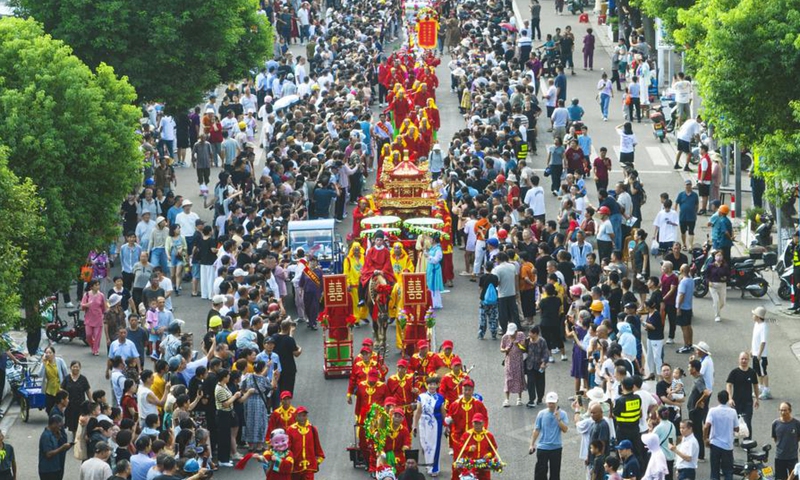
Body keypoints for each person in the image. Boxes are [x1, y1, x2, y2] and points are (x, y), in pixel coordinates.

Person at [529, 391, 569, 480]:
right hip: (542, 447)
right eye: (549, 403)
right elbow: (536, 429)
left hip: (556, 447)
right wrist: (532, 444)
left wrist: (558, 419)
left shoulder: (563, 414)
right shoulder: (541, 413)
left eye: (553, 403)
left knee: (555, 474)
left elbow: (565, 430)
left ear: (557, 401)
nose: (551, 405)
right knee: (540, 473)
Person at [413, 376, 445, 477]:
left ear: (437, 385)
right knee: (425, 445)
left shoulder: (440, 398)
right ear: (427, 385)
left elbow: (443, 412)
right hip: (423, 423)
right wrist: (414, 425)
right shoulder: (421, 397)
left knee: (434, 446)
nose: (432, 386)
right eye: (430, 384)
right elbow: (418, 412)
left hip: (436, 424)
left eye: (434, 384)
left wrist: (447, 425)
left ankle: (434, 467)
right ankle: (428, 464)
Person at [725, 352, 759, 442]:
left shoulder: (752, 372)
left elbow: (755, 386)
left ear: (748, 360)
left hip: (748, 402)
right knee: (735, 422)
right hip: (736, 401)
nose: (744, 361)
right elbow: (729, 385)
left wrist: (756, 399)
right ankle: (736, 438)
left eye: (746, 359)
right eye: (742, 359)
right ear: (739, 360)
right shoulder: (734, 372)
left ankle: (748, 441)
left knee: (748, 422)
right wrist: (730, 398)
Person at [704, 391, 738, 480]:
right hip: (727, 446)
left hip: (715, 444)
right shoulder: (733, 412)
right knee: (728, 471)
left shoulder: (712, 411)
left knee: (714, 471)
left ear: (718, 399)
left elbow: (706, 426)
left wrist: (705, 439)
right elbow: (736, 428)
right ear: (727, 399)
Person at [455, 414, 499, 480]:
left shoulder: (489, 435)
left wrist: (489, 455)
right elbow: (460, 447)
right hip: (470, 464)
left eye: (479, 423)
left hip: (484, 463)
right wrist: (469, 448)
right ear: (472, 423)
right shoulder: (466, 435)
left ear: (483, 423)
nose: (477, 426)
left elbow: (494, 448)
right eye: (475, 423)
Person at [286, 406, 325, 479]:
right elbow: (288, 448)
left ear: (307, 416)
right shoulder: (290, 430)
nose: (302, 418)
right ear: (296, 417)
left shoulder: (312, 429)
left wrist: (318, 460)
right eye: (299, 416)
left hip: (309, 467)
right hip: (295, 467)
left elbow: (317, 445)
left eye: (304, 415)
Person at [687, 359, 710, 462]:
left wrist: (698, 402)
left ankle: (700, 455)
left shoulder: (698, 380)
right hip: (694, 410)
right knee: (696, 432)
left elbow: (706, 392)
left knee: (697, 433)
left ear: (694, 369)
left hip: (695, 411)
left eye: (689, 367)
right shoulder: (698, 378)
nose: (688, 369)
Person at [38, 414, 72, 480]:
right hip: (48, 470)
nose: (60, 428)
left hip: (55, 468)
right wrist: (62, 448)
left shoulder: (54, 434)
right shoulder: (46, 436)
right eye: (59, 426)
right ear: (54, 424)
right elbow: (48, 454)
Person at [772, 403, 800, 480]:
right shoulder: (775, 423)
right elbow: (775, 438)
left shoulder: (796, 424)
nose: (783, 412)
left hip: (792, 457)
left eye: (785, 410)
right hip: (779, 457)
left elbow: (798, 437)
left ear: (790, 411)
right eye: (781, 410)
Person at [500, 323, 526, 407]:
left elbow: (524, 347)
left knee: (519, 378)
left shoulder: (521, 335)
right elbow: (501, 348)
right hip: (509, 361)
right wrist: (505, 349)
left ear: (516, 331)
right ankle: (507, 399)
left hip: (518, 360)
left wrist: (518, 344)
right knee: (508, 379)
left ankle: (519, 398)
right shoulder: (505, 337)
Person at [81, 279, 108, 356]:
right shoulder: (86, 295)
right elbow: (82, 305)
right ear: (91, 286)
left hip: (98, 318)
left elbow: (104, 306)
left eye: (98, 285)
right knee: (88, 335)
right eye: (96, 285)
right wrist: (87, 305)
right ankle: (93, 346)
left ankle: (95, 350)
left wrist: (104, 315)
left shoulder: (101, 295)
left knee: (97, 336)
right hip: (89, 318)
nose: (98, 286)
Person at [524, 326, 549, 408]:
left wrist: (544, 362)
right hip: (530, 365)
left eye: (530, 333)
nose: (529, 334)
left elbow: (545, 353)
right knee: (530, 382)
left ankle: (540, 398)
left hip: (539, 366)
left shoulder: (542, 341)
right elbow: (524, 350)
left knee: (540, 382)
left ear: (535, 333)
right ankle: (531, 399)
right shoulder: (527, 340)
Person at [39, 346, 68, 414]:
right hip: (49, 390)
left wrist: (65, 386)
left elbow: (65, 374)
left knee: (60, 408)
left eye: (50, 352)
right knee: (49, 409)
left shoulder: (60, 361)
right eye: (46, 353)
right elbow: (40, 375)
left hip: (59, 389)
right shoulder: (44, 363)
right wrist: (43, 363)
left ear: (54, 354)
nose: (48, 354)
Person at [750, 306, 771, 400]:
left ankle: (766, 390)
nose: (752, 316)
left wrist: (759, 354)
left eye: (754, 314)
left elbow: (763, 342)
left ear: (758, 316)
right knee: (758, 372)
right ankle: (760, 388)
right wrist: (752, 349)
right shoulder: (756, 324)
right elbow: (754, 339)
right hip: (755, 353)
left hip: (761, 355)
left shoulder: (763, 327)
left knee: (763, 372)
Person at [675, 264, 695, 354]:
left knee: (684, 328)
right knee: (688, 326)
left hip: (683, 307)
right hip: (689, 306)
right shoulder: (691, 280)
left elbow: (681, 295)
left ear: (682, 271)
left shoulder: (683, 282)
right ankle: (690, 344)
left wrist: (678, 307)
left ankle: (686, 345)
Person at [675, 180, 699, 250]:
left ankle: (690, 245)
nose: (688, 186)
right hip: (683, 216)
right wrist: (675, 212)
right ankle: (684, 244)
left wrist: (695, 213)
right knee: (683, 231)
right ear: (685, 186)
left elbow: (696, 205)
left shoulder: (695, 195)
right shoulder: (681, 194)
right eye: (687, 185)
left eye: (689, 185)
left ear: (691, 186)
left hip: (691, 217)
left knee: (691, 231)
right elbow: (676, 203)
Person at [706, 252, 729, 323]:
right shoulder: (710, 266)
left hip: (722, 285)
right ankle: (717, 315)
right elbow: (706, 275)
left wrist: (725, 278)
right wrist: (708, 282)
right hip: (713, 285)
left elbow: (728, 275)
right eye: (717, 255)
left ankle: (716, 308)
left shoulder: (725, 266)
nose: (719, 257)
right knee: (716, 301)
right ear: (714, 257)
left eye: (720, 255)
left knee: (722, 302)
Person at [426, 234, 444, 309]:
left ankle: (435, 303)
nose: (429, 240)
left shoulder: (438, 249)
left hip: (434, 269)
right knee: (430, 285)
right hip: (430, 268)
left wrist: (428, 256)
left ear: (434, 240)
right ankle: (431, 302)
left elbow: (436, 260)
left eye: (430, 239)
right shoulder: (433, 248)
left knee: (434, 286)